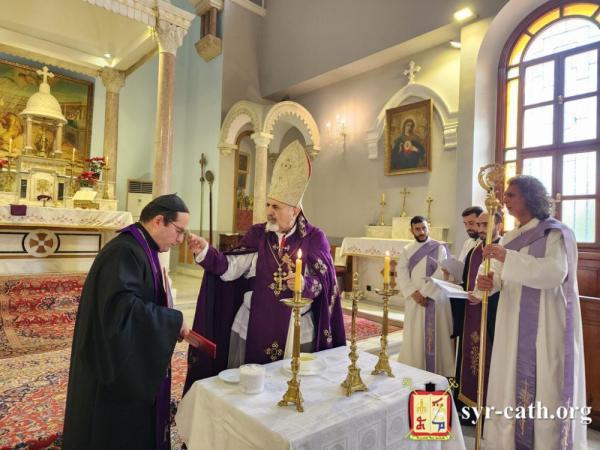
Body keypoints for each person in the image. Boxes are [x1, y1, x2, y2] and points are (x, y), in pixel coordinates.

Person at [183, 140, 346, 390]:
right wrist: (205, 250)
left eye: (276, 207)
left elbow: (326, 283)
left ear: (294, 211)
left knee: (292, 385)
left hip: (294, 328)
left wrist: (303, 284)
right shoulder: (258, 234)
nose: (269, 211)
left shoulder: (314, 238)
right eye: (268, 204)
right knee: (248, 387)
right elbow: (230, 267)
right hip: (253, 325)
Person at [63, 194, 191, 450]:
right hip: (108, 372)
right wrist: (171, 322)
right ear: (158, 221)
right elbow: (120, 313)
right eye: (179, 231)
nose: (180, 240)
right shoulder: (124, 251)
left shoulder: (142, 248)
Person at [476, 175, 587, 449]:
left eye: (511, 195)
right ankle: (505, 441)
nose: (505, 200)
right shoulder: (510, 237)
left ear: (530, 197)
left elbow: (555, 273)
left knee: (545, 383)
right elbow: (497, 276)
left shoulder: (555, 234)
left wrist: (507, 258)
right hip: (511, 323)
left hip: (545, 325)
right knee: (509, 379)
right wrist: (488, 283)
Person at [455, 211, 502, 420]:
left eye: (486, 225)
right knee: (470, 355)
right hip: (471, 313)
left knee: (490, 357)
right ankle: (467, 406)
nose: (481, 229)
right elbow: (466, 279)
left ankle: (488, 410)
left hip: (493, 314)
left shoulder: (504, 249)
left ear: (499, 225)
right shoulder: (474, 251)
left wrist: (482, 295)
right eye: (479, 225)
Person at [396, 216, 454, 376]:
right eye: (417, 229)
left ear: (428, 228)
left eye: (424, 228)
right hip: (415, 300)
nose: (421, 232)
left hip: (436, 299)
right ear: (411, 230)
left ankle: (441, 371)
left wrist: (425, 293)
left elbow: (442, 271)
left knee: (438, 335)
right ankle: (414, 367)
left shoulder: (440, 248)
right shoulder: (407, 250)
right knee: (415, 335)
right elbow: (401, 272)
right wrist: (413, 292)